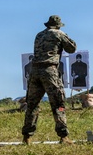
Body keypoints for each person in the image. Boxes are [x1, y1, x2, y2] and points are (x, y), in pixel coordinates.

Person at [22, 15, 77, 144]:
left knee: (32, 105)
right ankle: (63, 136)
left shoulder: (39, 35)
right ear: (58, 25)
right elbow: (72, 48)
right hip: (49, 71)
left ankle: (27, 137)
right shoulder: (59, 34)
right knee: (58, 103)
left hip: (34, 71)